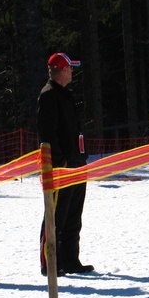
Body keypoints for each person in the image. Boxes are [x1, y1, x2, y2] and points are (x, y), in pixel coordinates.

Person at [36, 52, 94, 276]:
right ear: (62, 70)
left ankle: (70, 259)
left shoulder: (66, 94)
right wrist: (60, 160)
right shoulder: (49, 95)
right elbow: (47, 133)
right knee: (56, 215)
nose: (72, 72)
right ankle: (49, 262)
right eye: (70, 68)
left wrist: (80, 157)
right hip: (62, 166)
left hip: (77, 163)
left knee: (73, 215)